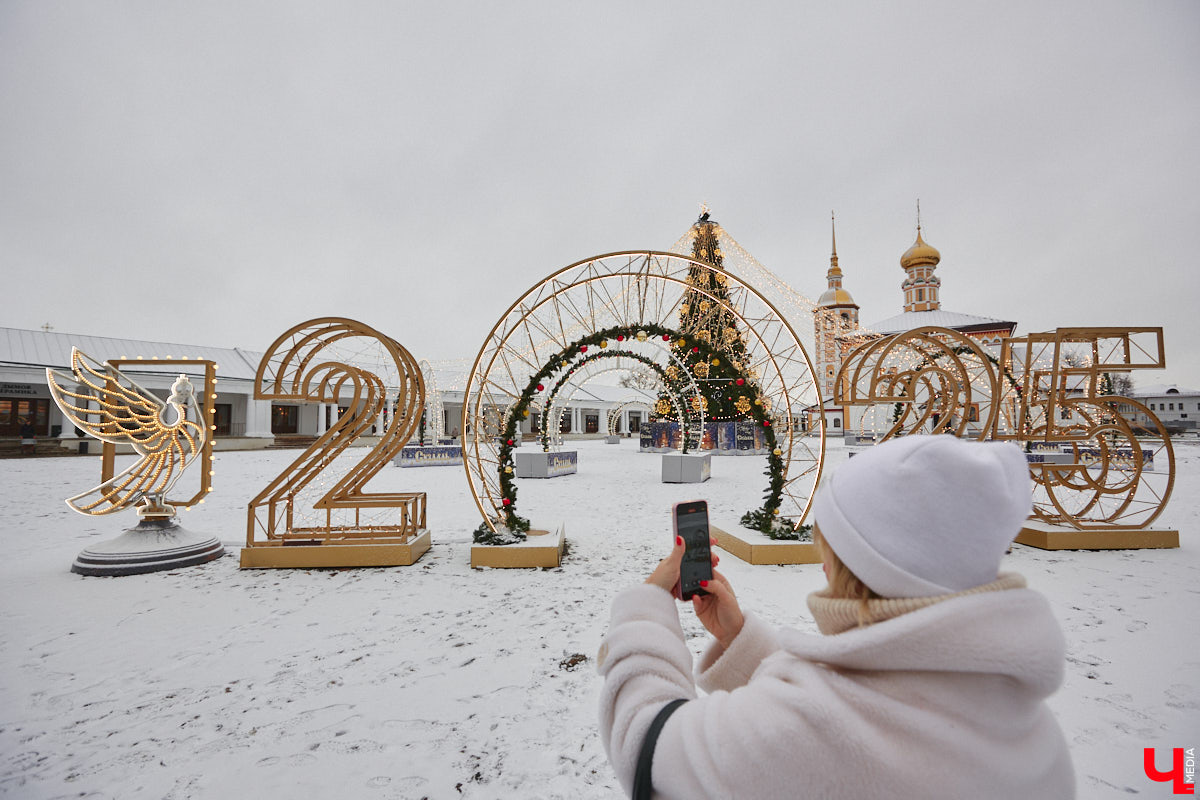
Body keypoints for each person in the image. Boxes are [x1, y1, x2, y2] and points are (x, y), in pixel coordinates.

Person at [597, 435, 1075, 799]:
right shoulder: (1029, 728)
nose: (822, 561)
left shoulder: (822, 728)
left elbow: (647, 745)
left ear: (869, 564)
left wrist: (647, 606)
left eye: (833, 548)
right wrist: (739, 640)